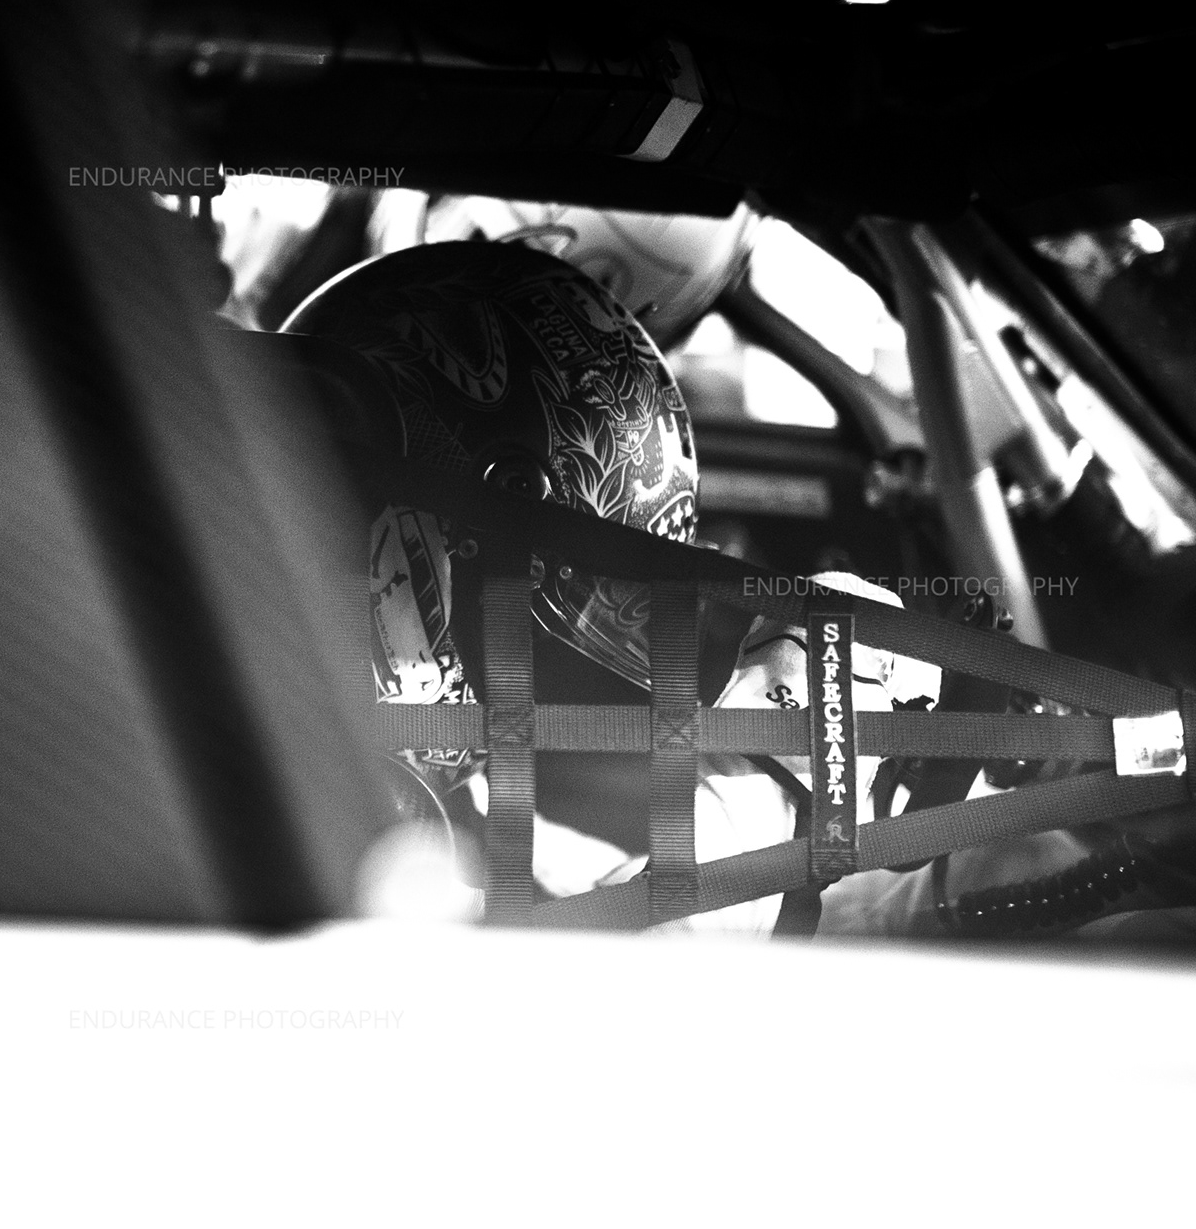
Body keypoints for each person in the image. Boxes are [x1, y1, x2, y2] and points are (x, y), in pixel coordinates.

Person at [285, 235, 1189, 936]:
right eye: (534, 609)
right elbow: (564, 1020)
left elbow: (644, 926)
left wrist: (1081, 854)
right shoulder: (290, 775)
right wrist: (767, 781)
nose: (526, 675)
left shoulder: (423, 794)